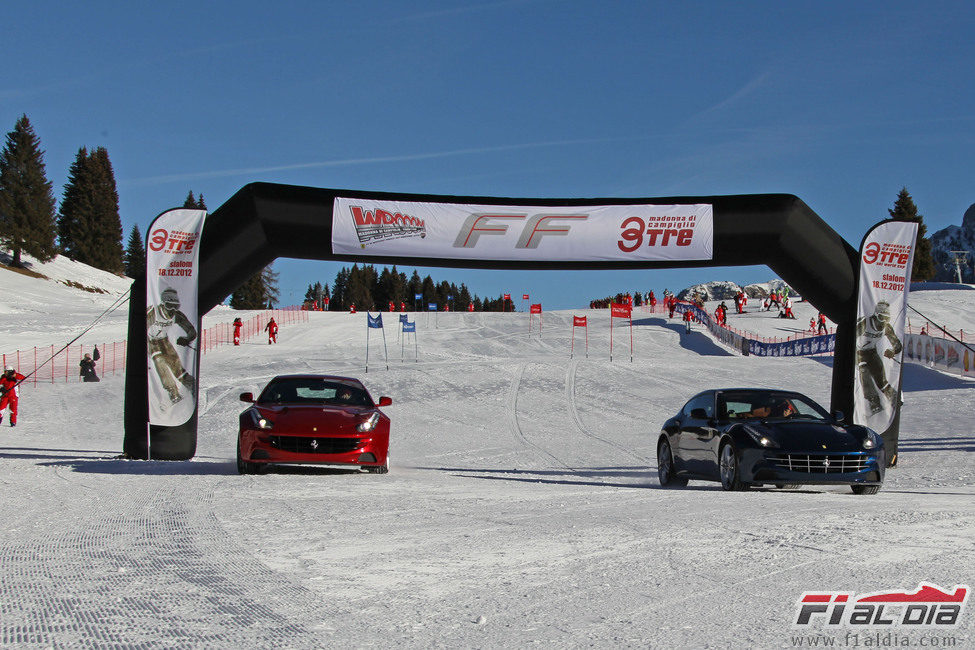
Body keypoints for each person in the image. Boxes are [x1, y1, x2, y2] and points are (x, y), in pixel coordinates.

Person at [147, 287, 197, 404]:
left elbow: (191, 330)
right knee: (160, 362)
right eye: (170, 306)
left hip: (164, 340)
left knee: (175, 365)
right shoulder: (154, 312)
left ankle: (191, 385)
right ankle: (173, 392)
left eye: (176, 306)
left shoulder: (176, 315)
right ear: (163, 304)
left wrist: (187, 339)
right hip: (151, 341)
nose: (172, 310)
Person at [856, 300, 903, 415]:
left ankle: (893, 398)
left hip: (871, 352)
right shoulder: (865, 323)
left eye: (887, 319)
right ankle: (874, 402)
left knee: (880, 376)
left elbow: (897, 345)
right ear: (876, 315)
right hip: (858, 352)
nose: (883, 322)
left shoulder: (886, 327)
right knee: (864, 371)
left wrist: (893, 351)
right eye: (882, 317)